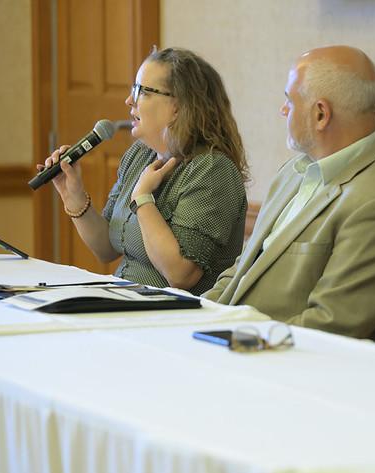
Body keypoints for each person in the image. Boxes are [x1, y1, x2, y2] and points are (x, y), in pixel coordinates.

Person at [204, 46, 375, 344]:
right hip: (226, 348)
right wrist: (191, 317)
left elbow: (327, 328)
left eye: (289, 101)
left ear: (321, 114)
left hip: (281, 371)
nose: (282, 111)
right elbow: (242, 270)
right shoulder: (292, 172)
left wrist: (221, 341)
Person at [39, 48, 248, 296]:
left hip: (174, 317)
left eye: (142, 91)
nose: (129, 100)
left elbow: (181, 275)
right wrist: (72, 194)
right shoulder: (140, 155)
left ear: (179, 106)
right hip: (124, 302)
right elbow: (107, 248)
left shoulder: (211, 169)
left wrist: (143, 199)